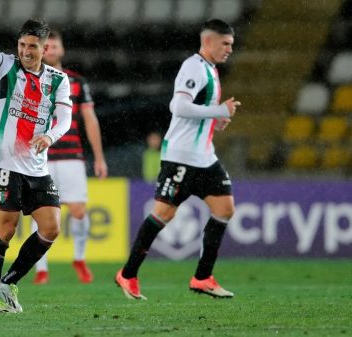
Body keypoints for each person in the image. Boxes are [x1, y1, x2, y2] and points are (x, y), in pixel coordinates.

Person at [0, 1, 73, 313]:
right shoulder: (6, 67)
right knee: (5, 229)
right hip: (5, 163)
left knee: (51, 227)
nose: (25, 51)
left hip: (37, 167)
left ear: (44, 47)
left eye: (32, 46)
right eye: (22, 45)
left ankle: (9, 281)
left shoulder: (58, 81)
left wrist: (49, 136)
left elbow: (64, 118)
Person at [115, 19, 240, 300]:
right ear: (208, 42)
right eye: (226, 44)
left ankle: (203, 277)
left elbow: (198, 112)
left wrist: (216, 119)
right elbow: (179, 105)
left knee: (224, 208)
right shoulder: (194, 67)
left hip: (204, 157)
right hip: (181, 157)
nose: (230, 49)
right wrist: (218, 110)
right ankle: (128, 273)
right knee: (164, 213)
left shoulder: (211, 70)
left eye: (231, 44)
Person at [30, 30, 108, 285]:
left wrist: (99, 157)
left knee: (78, 210)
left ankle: (79, 258)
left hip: (72, 155)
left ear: (62, 49)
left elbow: (90, 119)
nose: (50, 50)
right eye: (47, 46)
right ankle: (41, 268)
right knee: (40, 213)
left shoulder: (77, 82)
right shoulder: (30, 80)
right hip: (40, 156)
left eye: (54, 45)